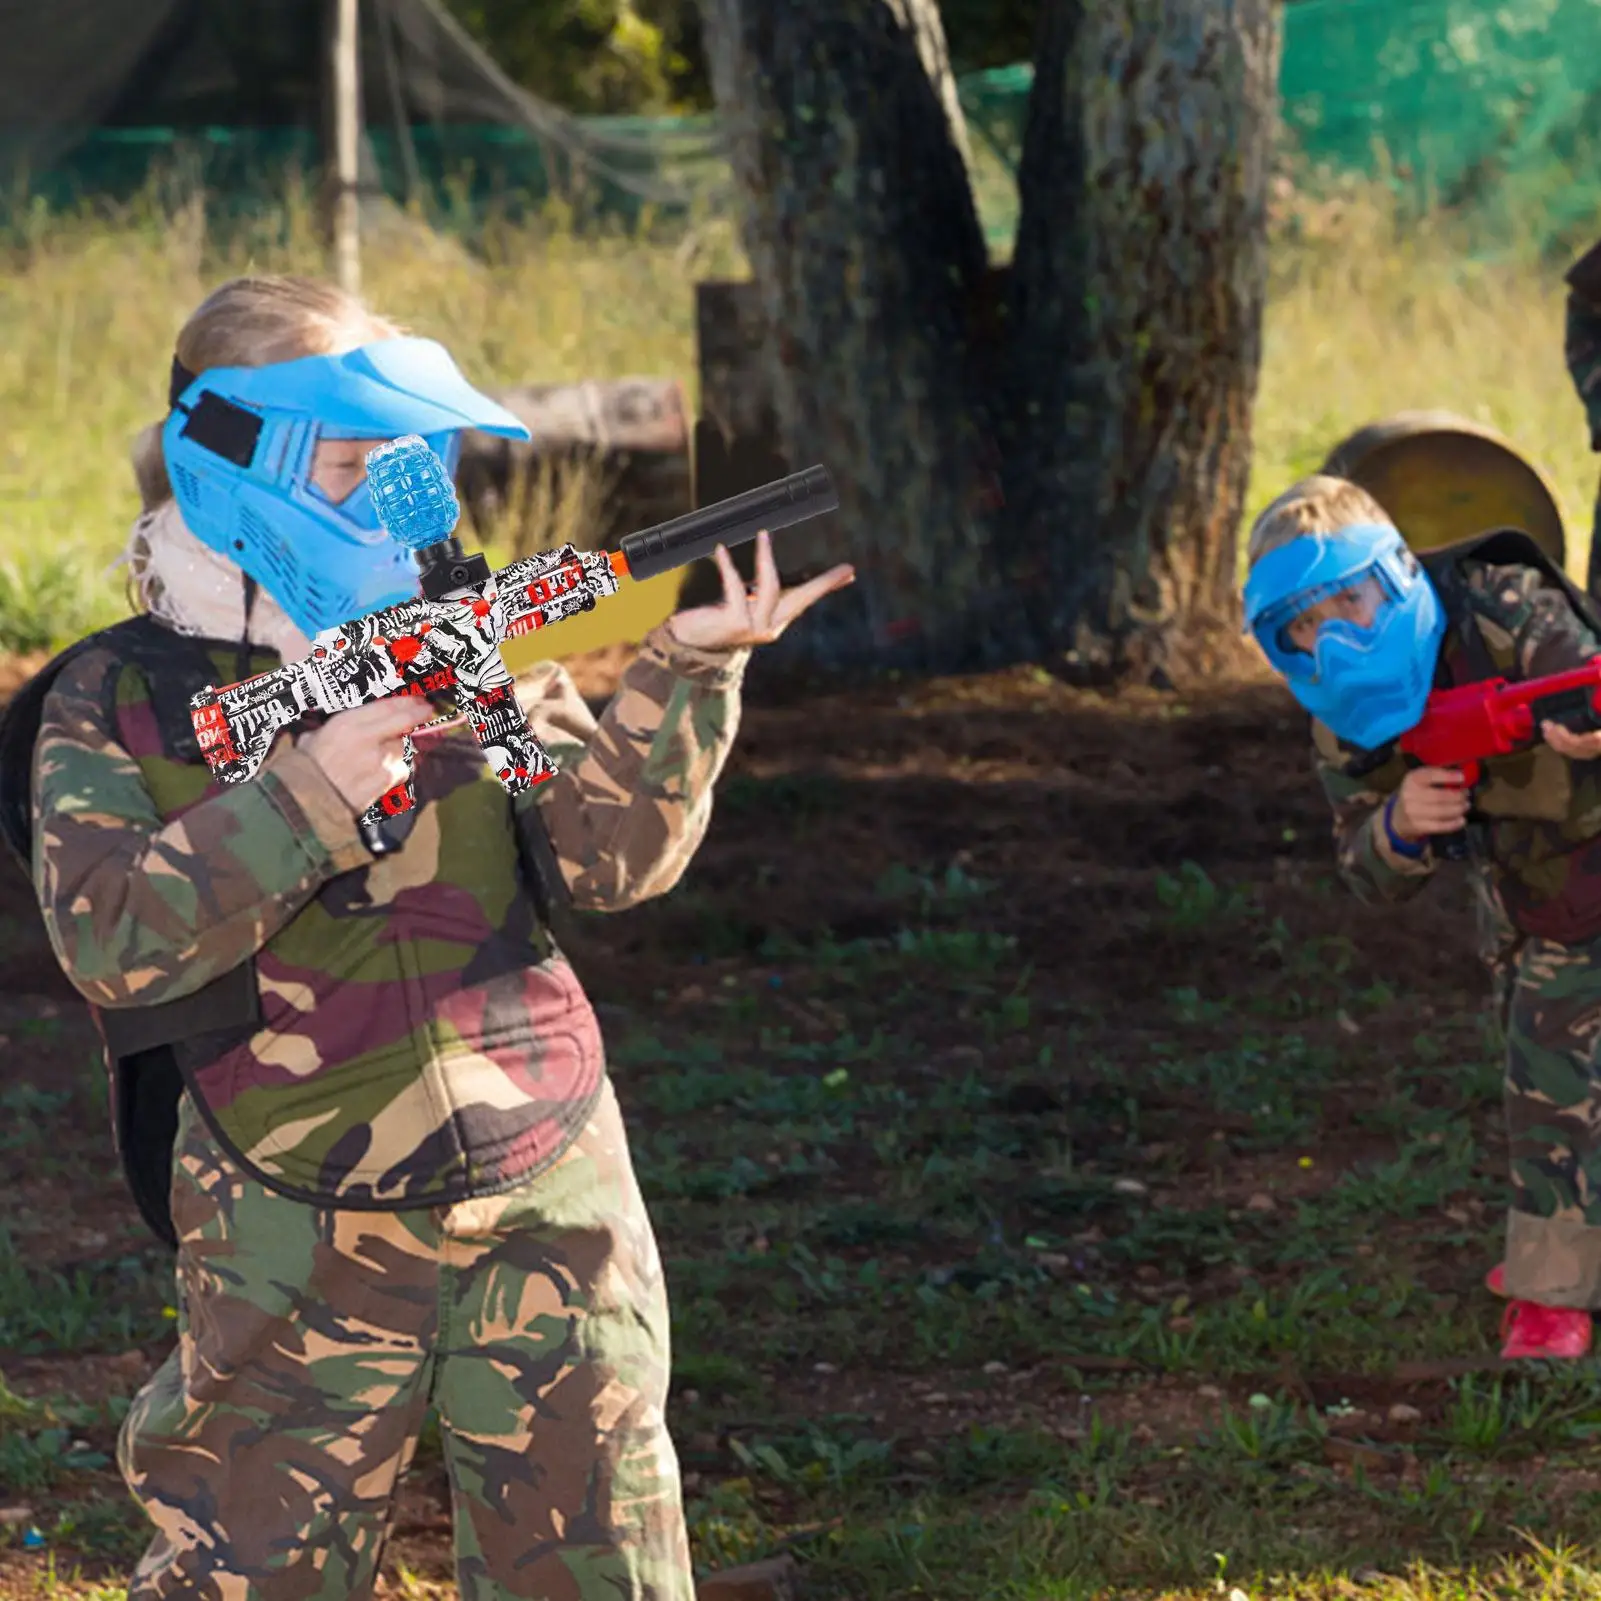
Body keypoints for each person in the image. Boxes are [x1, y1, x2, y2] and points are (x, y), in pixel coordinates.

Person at [12, 274, 854, 1600]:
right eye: (355, 463)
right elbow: (112, 942)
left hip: (548, 1173)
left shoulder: (456, 635)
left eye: (405, 460)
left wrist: (686, 671)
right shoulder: (125, 699)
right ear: (240, 458)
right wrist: (308, 793)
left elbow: (611, 858)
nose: (394, 496)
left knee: (596, 1567)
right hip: (290, 1207)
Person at [1242, 473, 1601, 1364]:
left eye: (1350, 603)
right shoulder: (1342, 719)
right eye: (1305, 628)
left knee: (1550, 1078)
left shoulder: (1498, 603)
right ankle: (1557, 1269)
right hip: (1527, 896)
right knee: (1551, 1080)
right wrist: (1399, 827)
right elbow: (1362, 867)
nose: (1336, 638)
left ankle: (1552, 1289)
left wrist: (1584, 726)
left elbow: (1577, 676)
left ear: (1395, 574)